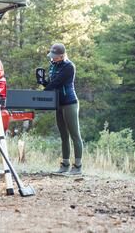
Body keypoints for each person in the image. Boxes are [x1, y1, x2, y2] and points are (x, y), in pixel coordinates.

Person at [39, 43, 83, 175]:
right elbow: (52, 82)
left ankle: (78, 166)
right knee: (63, 135)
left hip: (69, 102)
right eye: (51, 56)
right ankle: (65, 164)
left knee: (75, 135)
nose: (52, 58)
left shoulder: (69, 66)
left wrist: (43, 93)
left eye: (54, 56)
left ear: (62, 56)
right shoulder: (53, 65)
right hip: (58, 103)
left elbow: (58, 82)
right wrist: (43, 82)